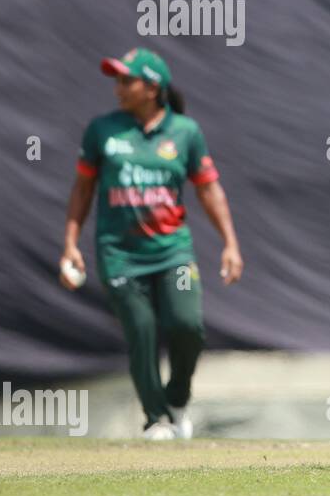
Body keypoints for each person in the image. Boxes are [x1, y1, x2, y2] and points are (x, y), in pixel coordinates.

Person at [60, 48, 242, 440]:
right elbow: (83, 189)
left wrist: (230, 244)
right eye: (117, 80)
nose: (118, 88)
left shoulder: (185, 133)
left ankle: (176, 399)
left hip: (172, 252)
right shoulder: (102, 131)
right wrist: (71, 243)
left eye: (128, 80)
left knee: (187, 325)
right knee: (140, 329)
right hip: (120, 254)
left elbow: (209, 190)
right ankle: (155, 418)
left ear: (153, 88)